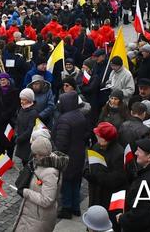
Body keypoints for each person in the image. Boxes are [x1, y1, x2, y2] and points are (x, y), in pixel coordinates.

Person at [12, 136, 69, 232]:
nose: (33, 157)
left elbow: (47, 200)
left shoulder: (50, 173)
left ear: (41, 154)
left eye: (35, 154)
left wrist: (26, 192)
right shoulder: (41, 163)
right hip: (33, 214)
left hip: (39, 218)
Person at [117, 138, 150, 232]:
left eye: (139, 151)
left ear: (149, 157)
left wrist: (123, 218)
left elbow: (141, 213)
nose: (135, 153)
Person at [54, 91, 88, 219]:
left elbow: (61, 143)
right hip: (79, 154)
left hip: (68, 157)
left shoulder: (64, 119)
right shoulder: (80, 115)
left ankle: (67, 209)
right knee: (76, 182)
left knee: (67, 182)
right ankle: (76, 207)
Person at [83, 122, 126, 212]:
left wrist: (97, 177)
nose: (96, 137)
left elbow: (117, 178)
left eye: (99, 136)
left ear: (106, 139)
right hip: (95, 192)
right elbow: (89, 162)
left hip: (107, 196)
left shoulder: (119, 153)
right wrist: (86, 171)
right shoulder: (97, 146)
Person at [0, 72, 20, 158]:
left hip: (9, 120)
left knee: (9, 140)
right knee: (0, 141)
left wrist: (6, 115)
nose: (3, 81)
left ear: (8, 81)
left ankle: (9, 158)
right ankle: (1, 158)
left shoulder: (14, 91)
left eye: (4, 79)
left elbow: (14, 105)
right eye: (1, 80)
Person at [14, 88, 39, 165]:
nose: (21, 101)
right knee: (23, 161)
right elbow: (17, 122)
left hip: (28, 142)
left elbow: (30, 129)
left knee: (28, 161)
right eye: (21, 99)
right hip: (21, 139)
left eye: (24, 99)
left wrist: (20, 138)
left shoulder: (33, 112)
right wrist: (16, 132)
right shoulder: (22, 109)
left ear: (29, 99)